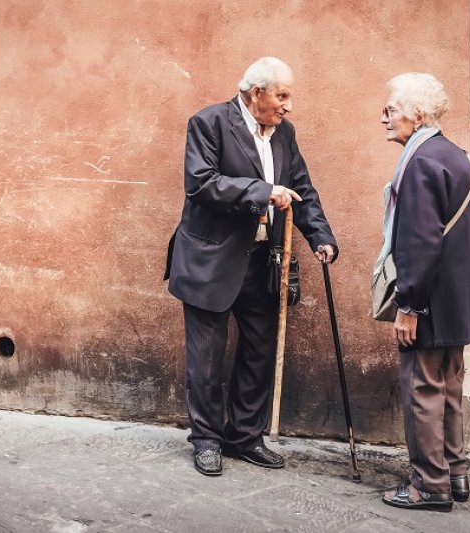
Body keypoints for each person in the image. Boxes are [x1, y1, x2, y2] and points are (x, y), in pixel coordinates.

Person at [164, 57, 338, 476]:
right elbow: (202, 183)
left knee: (259, 353)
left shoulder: (285, 134)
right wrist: (263, 191)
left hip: (263, 261)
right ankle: (206, 440)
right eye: (282, 95)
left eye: (288, 96)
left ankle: (245, 436)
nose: (288, 105)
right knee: (205, 359)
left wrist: (321, 237)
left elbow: (302, 189)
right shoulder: (208, 123)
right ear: (255, 92)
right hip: (211, 260)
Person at [375, 73, 470, 511]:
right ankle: (455, 474)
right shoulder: (458, 156)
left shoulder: (420, 161)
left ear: (417, 114)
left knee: (423, 389)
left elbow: (420, 242)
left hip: (430, 302)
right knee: (450, 387)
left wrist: (409, 305)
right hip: (458, 301)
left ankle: (429, 485)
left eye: (391, 109)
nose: (384, 117)